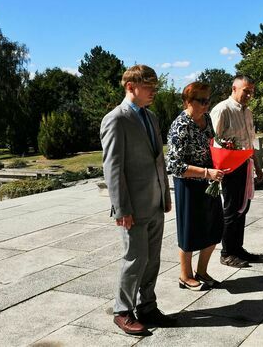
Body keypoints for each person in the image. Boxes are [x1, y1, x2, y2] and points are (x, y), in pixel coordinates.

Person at [100, 64, 173, 334]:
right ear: (131, 87)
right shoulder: (116, 119)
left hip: (154, 201)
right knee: (135, 259)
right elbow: (113, 168)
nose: (154, 91)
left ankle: (147, 306)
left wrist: (165, 193)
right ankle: (122, 310)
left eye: (155, 86)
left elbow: (158, 158)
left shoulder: (150, 117)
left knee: (152, 259)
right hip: (133, 206)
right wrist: (121, 209)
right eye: (149, 87)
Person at [166, 82, 225, 290]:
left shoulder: (206, 119)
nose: (206, 104)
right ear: (188, 101)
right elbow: (174, 165)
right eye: (202, 101)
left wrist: (223, 150)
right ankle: (185, 275)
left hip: (209, 182)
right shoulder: (180, 125)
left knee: (214, 227)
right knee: (189, 231)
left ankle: (202, 271)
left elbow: (210, 144)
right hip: (189, 185)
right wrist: (206, 172)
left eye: (208, 100)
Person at [210, 75, 263, 268]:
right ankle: (227, 252)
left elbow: (250, 141)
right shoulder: (222, 109)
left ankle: (238, 248)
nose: (249, 95)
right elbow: (214, 140)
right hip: (229, 167)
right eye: (246, 91)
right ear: (234, 88)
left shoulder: (247, 112)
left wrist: (257, 165)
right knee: (232, 210)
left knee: (243, 207)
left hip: (245, 164)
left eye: (251, 92)